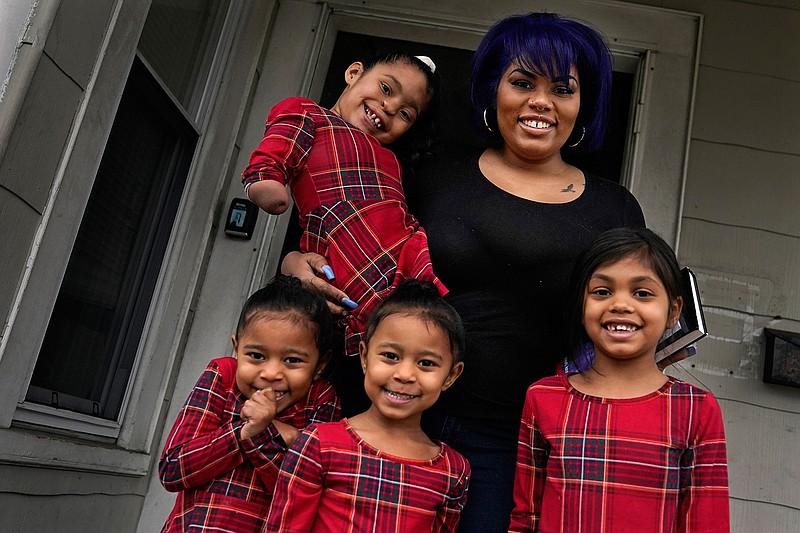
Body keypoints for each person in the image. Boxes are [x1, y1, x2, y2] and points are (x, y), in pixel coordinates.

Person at [282, 13, 646, 531]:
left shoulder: (614, 210)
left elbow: (623, 322)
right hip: (383, 410)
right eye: (522, 83)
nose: (540, 102)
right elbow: (345, 226)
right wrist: (294, 261)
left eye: (561, 89)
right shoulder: (431, 172)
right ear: (493, 91)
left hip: (506, 438)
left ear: (582, 103)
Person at [510, 227, 729, 532]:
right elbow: (526, 517)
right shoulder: (544, 397)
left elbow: (706, 523)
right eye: (602, 291)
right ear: (580, 305)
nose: (621, 305)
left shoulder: (696, 409)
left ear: (673, 311)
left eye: (642, 293)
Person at [242, 52, 445, 361]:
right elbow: (279, 144)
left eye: (406, 113)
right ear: (353, 73)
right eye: (386, 89)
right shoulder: (309, 114)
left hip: (404, 255)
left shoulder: (393, 161)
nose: (389, 107)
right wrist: (266, 179)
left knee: (419, 319)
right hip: (340, 250)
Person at [264, 280, 470, 532]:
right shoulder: (319, 444)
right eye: (390, 356)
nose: (404, 374)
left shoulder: (452, 471)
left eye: (426, 363)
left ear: (451, 375)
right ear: (364, 357)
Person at [158, 275, 340, 533]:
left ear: (320, 365)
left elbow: (301, 497)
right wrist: (248, 431)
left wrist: (261, 434)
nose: (270, 373)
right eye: (256, 356)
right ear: (236, 348)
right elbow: (173, 469)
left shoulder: (321, 399)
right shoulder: (223, 376)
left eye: (292, 361)